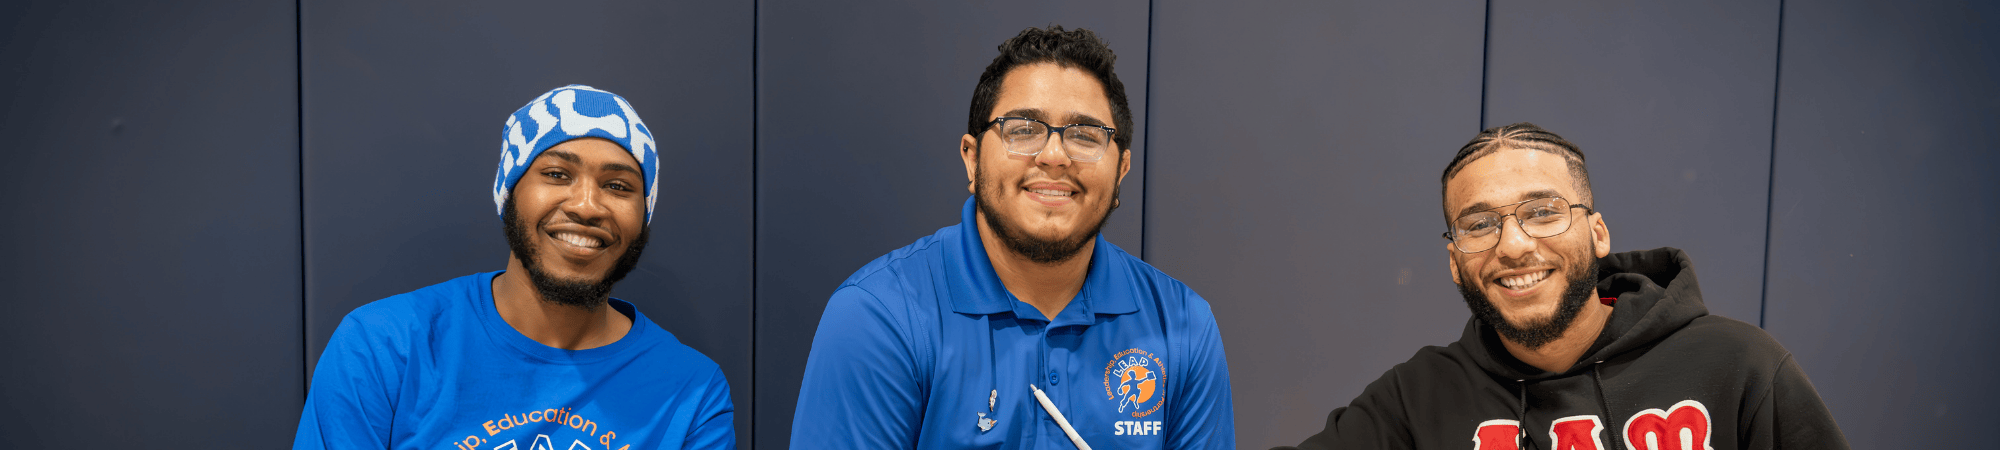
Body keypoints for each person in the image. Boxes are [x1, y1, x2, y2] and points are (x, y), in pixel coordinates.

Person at [789, 26, 1234, 449]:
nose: (1055, 156)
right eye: (1023, 129)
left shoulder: (1183, 327)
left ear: (1121, 171)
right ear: (972, 158)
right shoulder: (878, 318)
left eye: (1085, 135)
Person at [1279, 123, 1847, 450]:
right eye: (1479, 225)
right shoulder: (1415, 399)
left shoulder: (1740, 367)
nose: (1514, 245)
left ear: (1597, 232)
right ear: (1454, 261)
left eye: (1543, 212)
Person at [294, 85, 734, 450]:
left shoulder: (691, 393)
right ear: (511, 194)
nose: (586, 206)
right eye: (558, 174)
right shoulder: (382, 348)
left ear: (643, 216)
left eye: (618, 186)